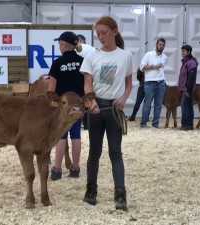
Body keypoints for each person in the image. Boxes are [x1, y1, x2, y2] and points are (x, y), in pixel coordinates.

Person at [80, 16, 132, 211]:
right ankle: (90, 192)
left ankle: (120, 195)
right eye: (98, 34)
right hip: (95, 108)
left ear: (114, 31)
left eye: (104, 32)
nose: (101, 37)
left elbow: (128, 84)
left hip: (114, 110)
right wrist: (90, 101)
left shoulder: (125, 56)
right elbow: (87, 83)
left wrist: (124, 98)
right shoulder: (92, 56)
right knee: (94, 151)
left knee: (115, 153)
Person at [48, 31, 85, 180]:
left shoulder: (57, 63)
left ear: (64, 45)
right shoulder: (83, 61)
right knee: (76, 136)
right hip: (78, 104)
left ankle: (57, 170)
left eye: (60, 44)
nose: (59, 47)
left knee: (61, 136)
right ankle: (75, 169)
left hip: (63, 107)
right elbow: (88, 83)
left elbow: (51, 90)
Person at [140, 38, 167, 128]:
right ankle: (143, 124)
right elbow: (142, 68)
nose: (161, 46)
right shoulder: (149, 55)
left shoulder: (164, 57)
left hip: (161, 83)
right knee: (147, 104)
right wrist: (154, 66)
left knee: (158, 105)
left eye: (163, 45)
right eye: (160, 44)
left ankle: (155, 124)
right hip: (150, 82)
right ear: (156, 44)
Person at [178, 44, 198, 131]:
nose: (182, 53)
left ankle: (186, 125)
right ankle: (189, 125)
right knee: (188, 106)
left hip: (187, 89)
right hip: (183, 88)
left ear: (189, 52)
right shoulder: (186, 62)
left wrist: (187, 89)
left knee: (185, 106)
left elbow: (191, 77)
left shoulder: (191, 62)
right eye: (181, 51)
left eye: (184, 51)